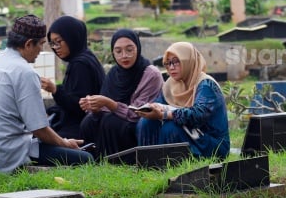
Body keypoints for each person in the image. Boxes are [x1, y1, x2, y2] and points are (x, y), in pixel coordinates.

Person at [0, 14, 93, 173]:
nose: (41, 50)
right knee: (85, 158)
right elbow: (39, 129)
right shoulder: (24, 72)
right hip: (7, 154)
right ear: (28, 44)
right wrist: (65, 143)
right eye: (41, 44)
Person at [136, 42, 230, 160]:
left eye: (176, 62)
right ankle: (148, 162)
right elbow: (160, 103)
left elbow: (197, 115)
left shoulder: (206, 84)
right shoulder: (171, 85)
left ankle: (167, 162)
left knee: (170, 127)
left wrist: (165, 114)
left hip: (211, 143)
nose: (171, 67)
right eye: (167, 63)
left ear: (188, 61)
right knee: (146, 122)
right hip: (190, 133)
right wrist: (152, 108)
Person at [79, 29, 163, 157]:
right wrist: (93, 106)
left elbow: (138, 113)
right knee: (89, 121)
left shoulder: (151, 74)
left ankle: (117, 162)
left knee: (111, 122)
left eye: (129, 50)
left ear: (138, 48)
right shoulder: (114, 73)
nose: (124, 55)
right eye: (118, 51)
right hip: (116, 117)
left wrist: (109, 103)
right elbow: (103, 108)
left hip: (139, 123)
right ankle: (91, 160)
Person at [40, 16, 105, 139]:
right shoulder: (84, 57)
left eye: (58, 41)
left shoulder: (80, 65)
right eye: (52, 43)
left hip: (83, 129)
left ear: (71, 37)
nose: (56, 48)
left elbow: (78, 106)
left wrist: (55, 90)